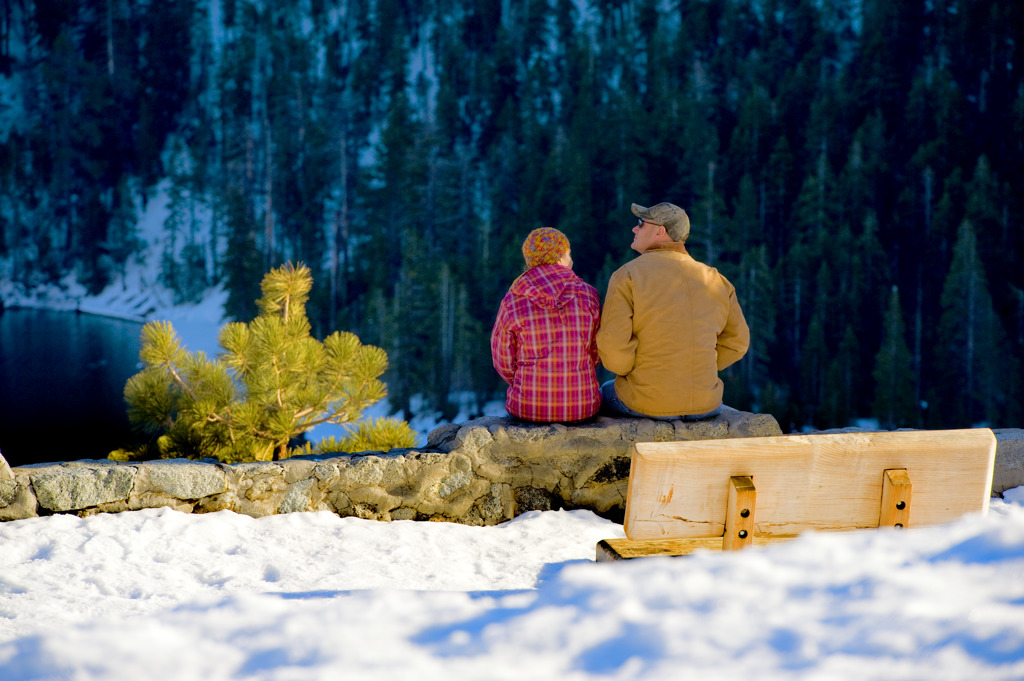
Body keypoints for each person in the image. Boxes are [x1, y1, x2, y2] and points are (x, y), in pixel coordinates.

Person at [596, 202, 749, 420]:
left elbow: (613, 349)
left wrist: (634, 371)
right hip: (706, 404)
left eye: (641, 223)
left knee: (604, 393)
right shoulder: (717, 279)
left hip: (646, 402)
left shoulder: (627, 276)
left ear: (660, 231)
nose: (634, 229)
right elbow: (738, 343)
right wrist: (697, 366)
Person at [490, 227, 602, 423]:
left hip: (528, 408)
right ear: (559, 258)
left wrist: (528, 379)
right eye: (569, 255)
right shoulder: (588, 294)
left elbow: (503, 362)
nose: (572, 261)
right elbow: (597, 352)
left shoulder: (513, 300)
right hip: (582, 407)